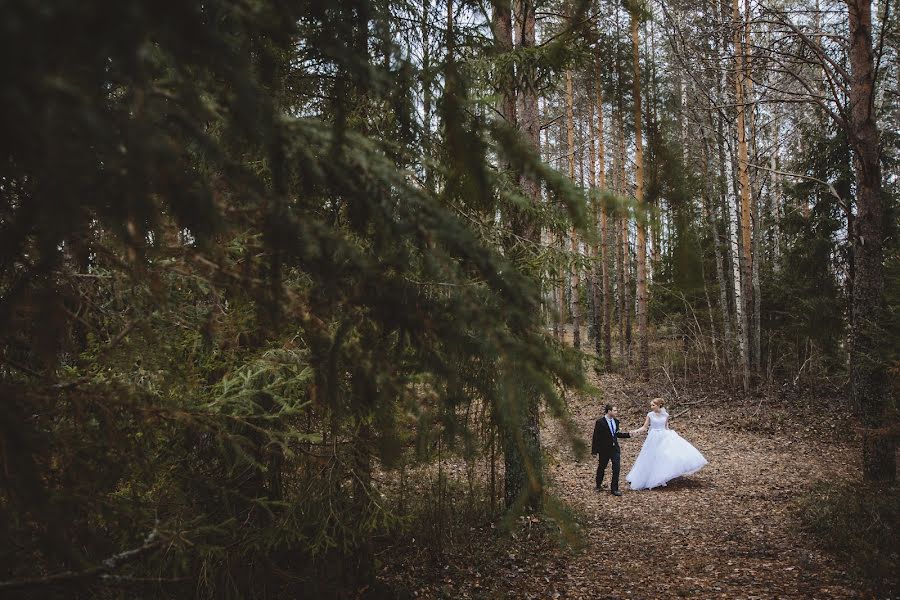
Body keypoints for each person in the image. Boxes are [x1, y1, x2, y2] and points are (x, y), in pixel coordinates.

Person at [626, 397, 707, 490]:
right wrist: (636, 431)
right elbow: (645, 427)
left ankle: (661, 476)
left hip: (664, 436)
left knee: (664, 456)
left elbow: (666, 427)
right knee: (651, 457)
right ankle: (647, 477)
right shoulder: (650, 415)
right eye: (651, 405)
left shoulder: (666, 415)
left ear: (659, 405)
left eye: (653, 405)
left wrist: (672, 435)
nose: (652, 407)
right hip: (653, 437)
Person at [591, 403, 632, 496]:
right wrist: (594, 450)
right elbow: (596, 437)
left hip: (615, 449)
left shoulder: (616, 421)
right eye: (615, 410)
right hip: (604, 449)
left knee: (616, 468)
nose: (616, 412)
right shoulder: (600, 422)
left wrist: (629, 434)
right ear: (609, 411)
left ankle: (614, 489)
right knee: (602, 467)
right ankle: (598, 484)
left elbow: (616, 434)